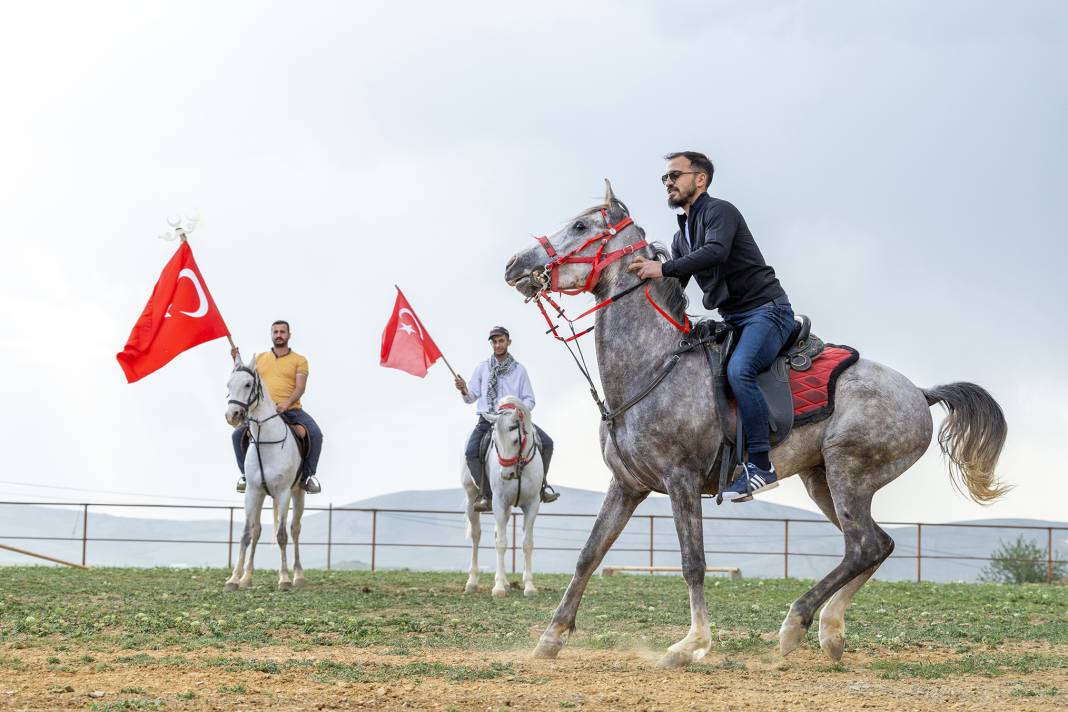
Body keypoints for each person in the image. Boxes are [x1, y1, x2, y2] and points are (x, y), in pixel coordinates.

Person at [628, 151, 795, 502]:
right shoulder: (682, 237)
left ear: (700, 179)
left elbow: (716, 252)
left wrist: (664, 268)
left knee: (740, 371)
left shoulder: (721, 212)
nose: (669, 183)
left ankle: (762, 467)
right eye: (665, 178)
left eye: (675, 175)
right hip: (733, 318)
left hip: (767, 311)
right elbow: (676, 287)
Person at [455, 326, 560, 513]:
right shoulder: (482, 368)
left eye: (501, 341)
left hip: (514, 421)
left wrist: (518, 412)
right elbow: (471, 397)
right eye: (494, 342)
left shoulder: (519, 370)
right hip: (487, 420)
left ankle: (542, 486)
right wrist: (463, 388)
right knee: (471, 452)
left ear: (508, 342)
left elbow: (529, 399)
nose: (497, 345)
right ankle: (485, 495)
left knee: (547, 443)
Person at [231, 320, 324, 494]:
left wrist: (286, 404)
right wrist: (235, 359)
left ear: (289, 335)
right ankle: (245, 476)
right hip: (263, 411)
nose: (279, 335)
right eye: (275, 332)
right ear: (271, 335)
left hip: (292, 409)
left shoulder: (300, 360)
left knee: (315, 434)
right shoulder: (259, 359)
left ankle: (308, 477)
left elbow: (300, 387)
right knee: (237, 435)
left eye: (282, 332)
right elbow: (245, 378)